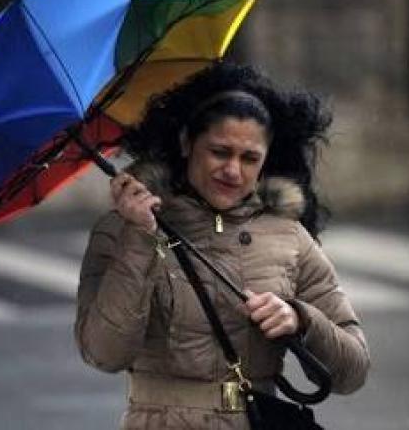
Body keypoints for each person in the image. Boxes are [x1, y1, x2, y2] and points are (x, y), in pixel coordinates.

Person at [75, 62, 370, 429]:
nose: (233, 171)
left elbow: (352, 371)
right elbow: (103, 353)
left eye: (249, 159)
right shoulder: (121, 230)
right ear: (187, 143)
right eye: (220, 152)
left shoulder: (288, 236)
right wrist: (139, 236)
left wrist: (301, 319)